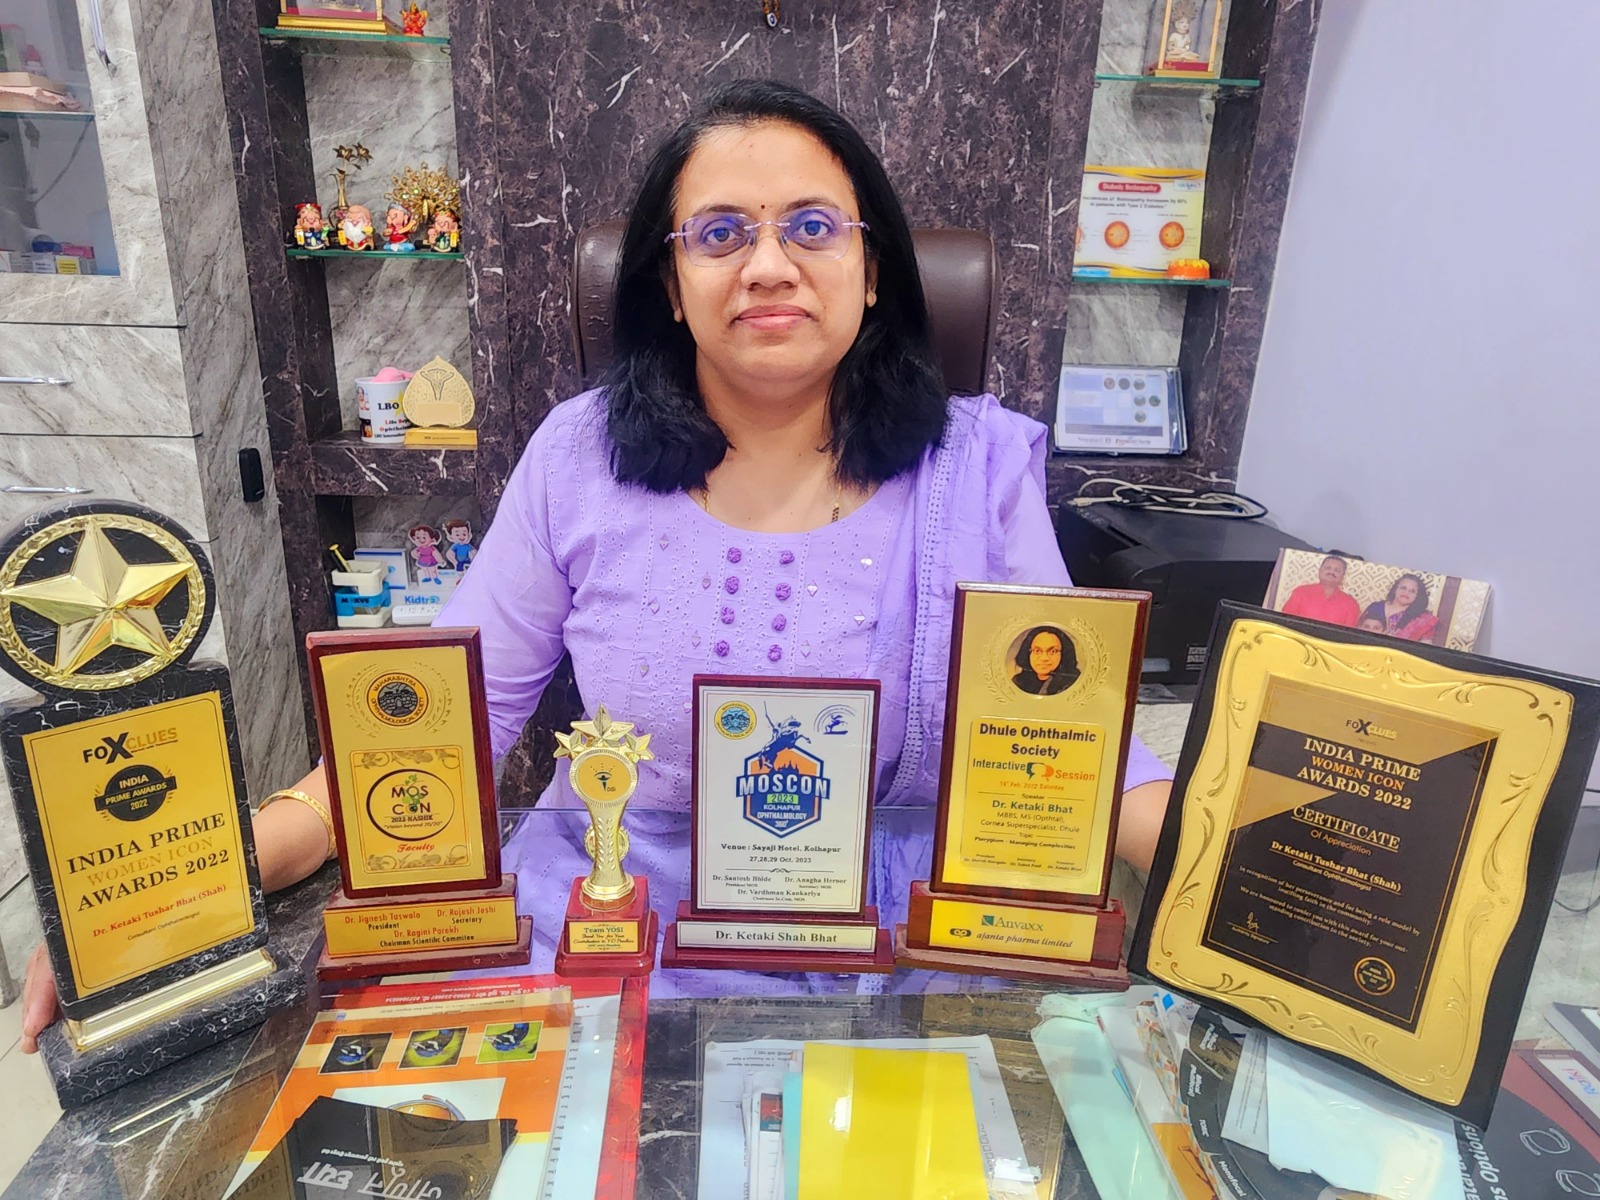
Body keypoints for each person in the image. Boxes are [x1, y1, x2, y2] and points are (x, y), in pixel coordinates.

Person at [21, 79, 1175, 1047]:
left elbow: (1080, 753)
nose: (768, 265)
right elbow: (437, 721)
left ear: (874, 269)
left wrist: (1238, 881)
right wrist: (169, 899)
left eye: (813, 227)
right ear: (668, 286)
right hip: (625, 932)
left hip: (906, 937)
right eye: (719, 234)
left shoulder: (978, 469)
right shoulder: (580, 457)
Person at [1280, 555, 1360, 627]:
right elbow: (1286, 621)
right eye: (1328, 568)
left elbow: (1348, 633)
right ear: (1320, 570)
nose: (1331, 572)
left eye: (1337, 570)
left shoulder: (1351, 603)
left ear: (1343, 576)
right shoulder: (1301, 592)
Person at [1360, 573, 1439, 643]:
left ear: (1417, 596)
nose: (1406, 593)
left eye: (1412, 591)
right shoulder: (1375, 607)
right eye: (1403, 588)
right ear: (1395, 589)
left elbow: (1424, 647)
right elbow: (1358, 630)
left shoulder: (1421, 620)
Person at [1012, 626, 1079, 695]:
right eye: (1037, 651)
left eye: (1053, 651)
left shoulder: (1073, 683)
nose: (1044, 658)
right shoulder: (1018, 682)